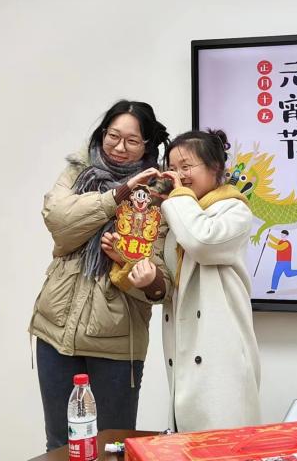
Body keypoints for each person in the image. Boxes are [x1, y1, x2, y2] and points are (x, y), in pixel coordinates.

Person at [29, 100, 172, 451]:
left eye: (132, 141)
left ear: (147, 145)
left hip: (117, 343)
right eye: (113, 136)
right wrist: (118, 195)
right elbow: (59, 221)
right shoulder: (79, 170)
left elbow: (162, 283)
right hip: (55, 331)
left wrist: (131, 267)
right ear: (102, 133)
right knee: (60, 446)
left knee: (113, 447)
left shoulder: (160, 193)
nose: (120, 147)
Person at [133, 129, 261, 432]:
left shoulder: (234, 209)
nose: (178, 175)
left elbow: (202, 242)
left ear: (215, 167)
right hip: (184, 345)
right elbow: (172, 279)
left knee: (222, 438)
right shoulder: (180, 213)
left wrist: (177, 198)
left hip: (221, 347)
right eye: (172, 167)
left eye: (186, 166)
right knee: (188, 440)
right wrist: (149, 278)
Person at [266, 229, 297, 294]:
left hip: (284, 262)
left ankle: (273, 289)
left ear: (287, 236)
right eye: (281, 234)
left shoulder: (286, 243)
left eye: (284, 235)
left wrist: (269, 243)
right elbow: (276, 240)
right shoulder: (281, 241)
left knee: (278, 274)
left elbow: (279, 247)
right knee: (287, 273)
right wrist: (269, 236)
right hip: (281, 261)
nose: (282, 236)